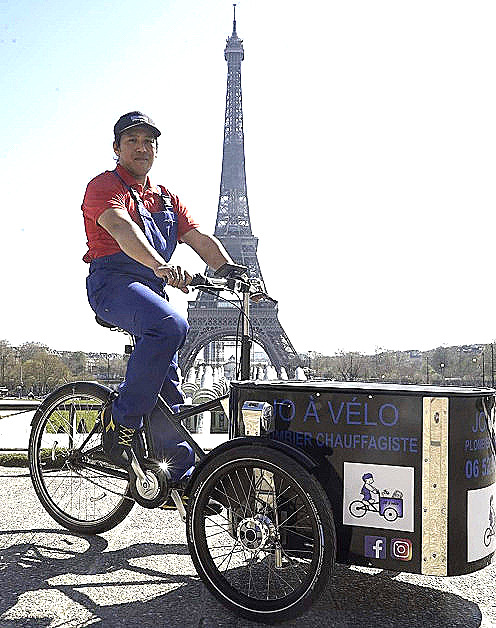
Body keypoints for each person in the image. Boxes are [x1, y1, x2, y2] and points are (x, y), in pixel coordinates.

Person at [82, 111, 234, 480]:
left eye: (148, 141)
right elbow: (121, 228)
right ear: (116, 148)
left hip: (150, 289)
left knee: (169, 385)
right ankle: (119, 430)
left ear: (156, 150)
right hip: (112, 284)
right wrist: (158, 265)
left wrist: (232, 272)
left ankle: (179, 475)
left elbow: (199, 239)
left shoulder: (167, 199)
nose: (141, 147)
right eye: (132, 140)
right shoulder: (104, 187)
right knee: (169, 326)